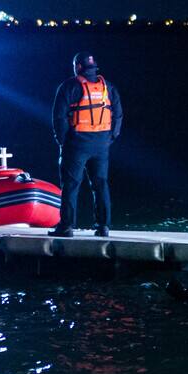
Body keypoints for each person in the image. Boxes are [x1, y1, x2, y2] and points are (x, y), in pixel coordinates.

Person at [48, 52, 123, 238]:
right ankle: (103, 227)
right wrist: (110, 138)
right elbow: (118, 114)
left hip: (76, 143)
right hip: (102, 144)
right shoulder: (108, 88)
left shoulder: (69, 86)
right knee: (101, 184)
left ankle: (66, 227)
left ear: (78, 67)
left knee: (71, 185)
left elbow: (59, 117)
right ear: (94, 67)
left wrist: (63, 141)